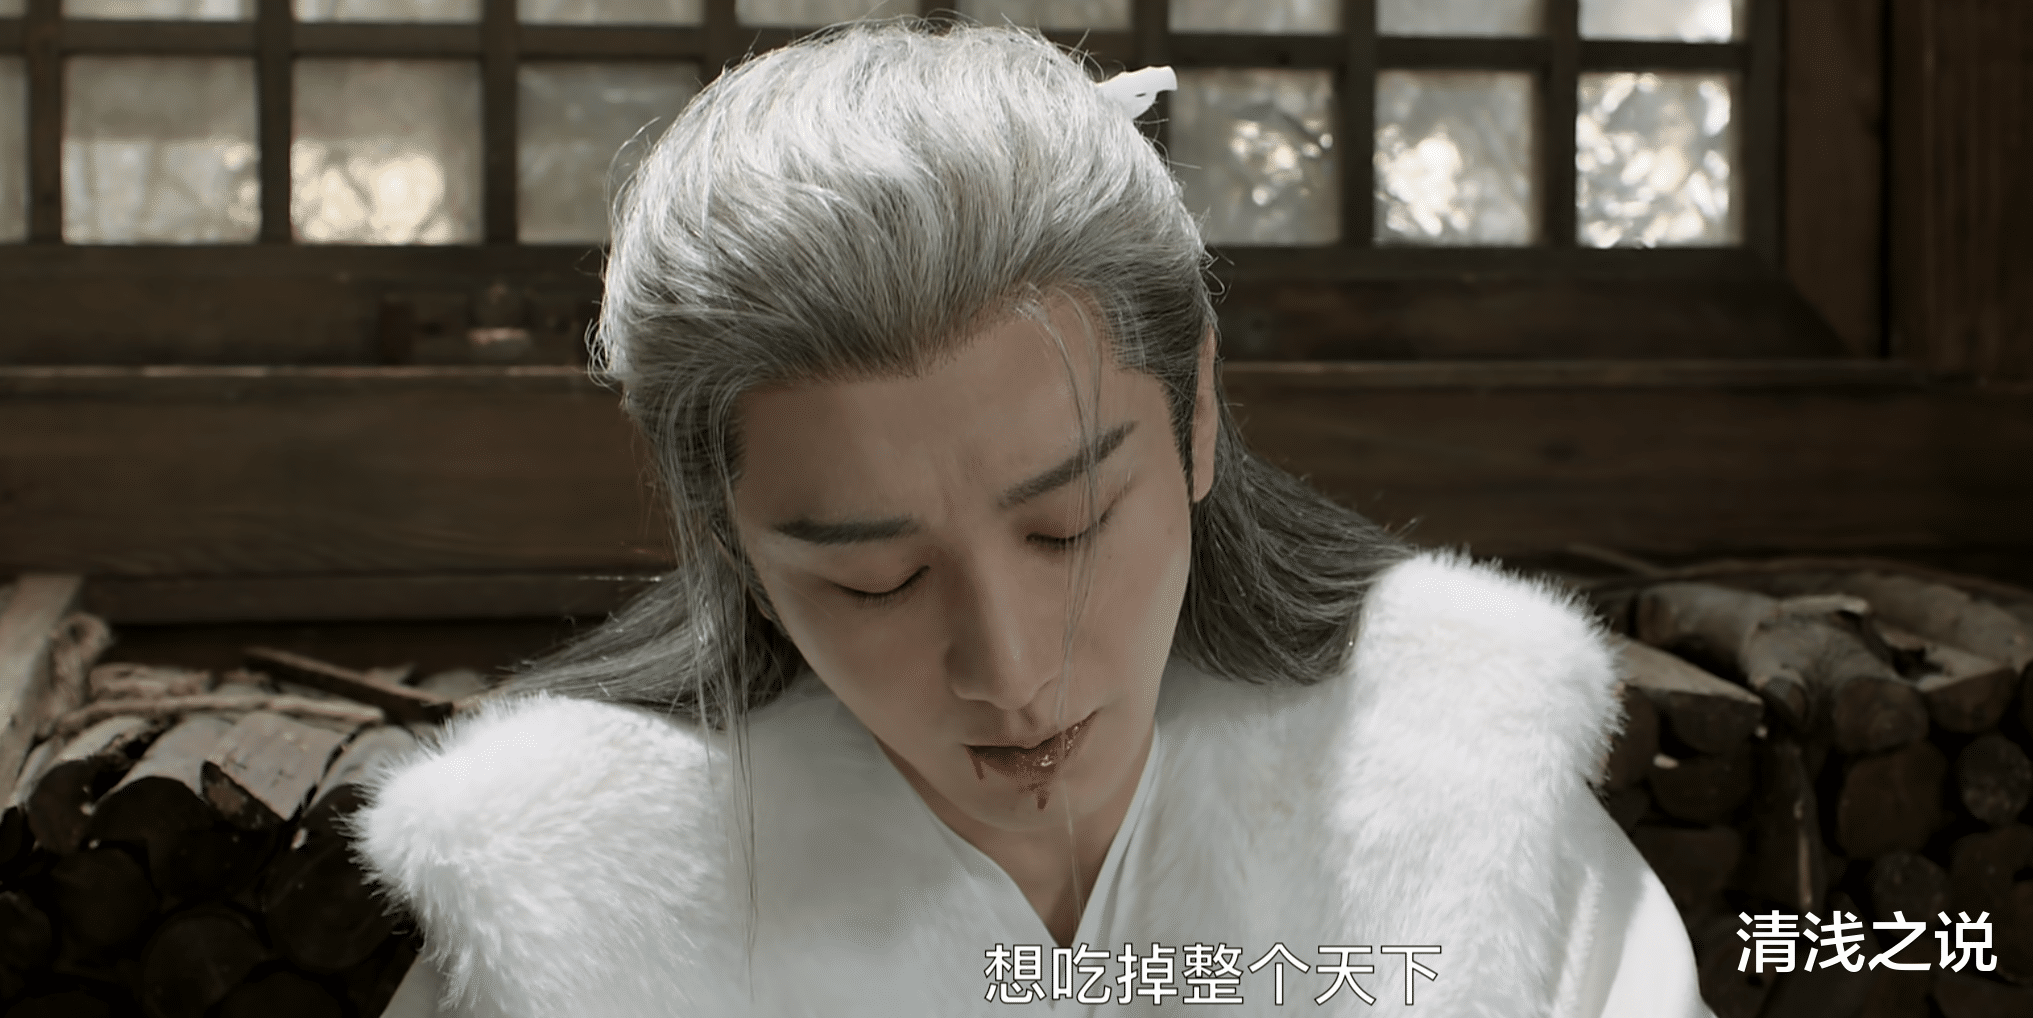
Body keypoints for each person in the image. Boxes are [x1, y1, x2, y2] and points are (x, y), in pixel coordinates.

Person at [354, 17, 1715, 1017]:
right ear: (729, 541)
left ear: (1196, 412)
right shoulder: (573, 909)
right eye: (879, 580)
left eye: (1069, 525)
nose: (1010, 669)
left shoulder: (1458, 795)